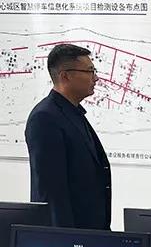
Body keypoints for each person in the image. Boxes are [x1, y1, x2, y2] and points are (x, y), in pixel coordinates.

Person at [25, 44, 111, 230]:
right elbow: (51, 191)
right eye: (89, 71)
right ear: (65, 76)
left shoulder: (73, 112)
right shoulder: (45, 118)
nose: (95, 78)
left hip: (90, 232)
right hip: (69, 235)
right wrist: (64, 239)